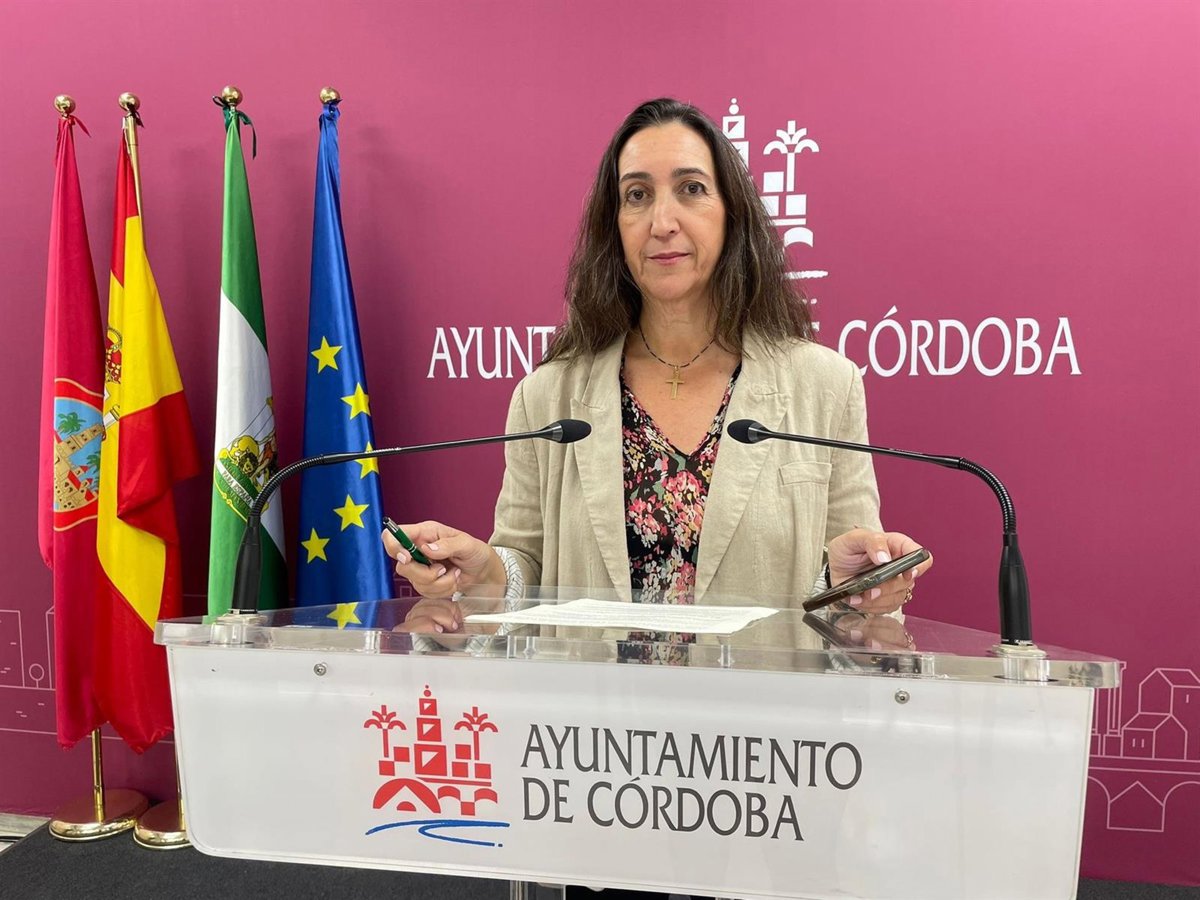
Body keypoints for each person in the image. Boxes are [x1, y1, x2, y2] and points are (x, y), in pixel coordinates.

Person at [383, 96, 932, 634]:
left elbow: (855, 589)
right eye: (637, 195)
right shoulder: (548, 395)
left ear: (732, 213)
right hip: (595, 697)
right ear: (615, 225)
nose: (662, 222)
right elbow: (527, 566)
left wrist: (857, 582)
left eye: (691, 189)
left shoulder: (825, 385)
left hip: (762, 695)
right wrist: (486, 571)